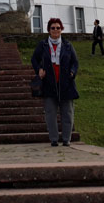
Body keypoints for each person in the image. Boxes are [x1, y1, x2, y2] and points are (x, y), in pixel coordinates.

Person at [31, 18, 79, 147]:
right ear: (49, 30)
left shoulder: (67, 45)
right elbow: (34, 59)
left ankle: (66, 139)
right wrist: (39, 70)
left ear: (62, 29)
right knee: (50, 113)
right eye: (53, 28)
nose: (56, 30)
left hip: (65, 84)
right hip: (49, 83)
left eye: (58, 27)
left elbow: (75, 62)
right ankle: (53, 139)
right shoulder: (43, 45)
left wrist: (72, 73)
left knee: (67, 113)